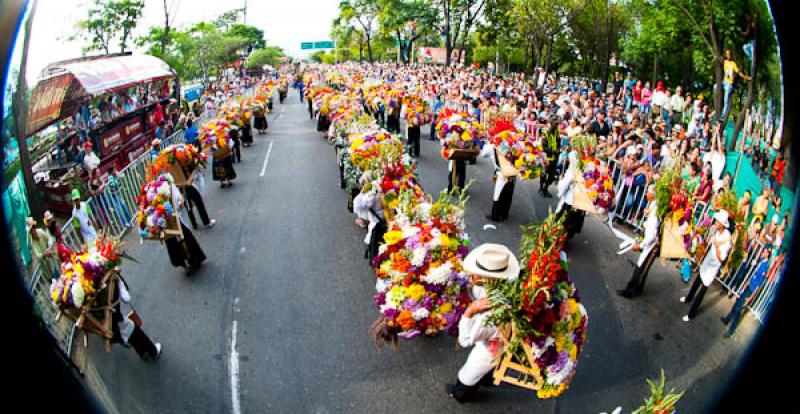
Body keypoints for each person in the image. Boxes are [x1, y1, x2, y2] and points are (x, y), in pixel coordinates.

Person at [445, 243, 520, 402]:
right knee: (487, 368)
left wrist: (469, 312)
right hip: (503, 336)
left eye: (476, 273)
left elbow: (465, 340)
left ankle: (460, 394)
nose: (472, 275)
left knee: (470, 372)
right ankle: (487, 380)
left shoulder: (490, 312)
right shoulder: (507, 284)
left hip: (493, 344)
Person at [681, 210, 732, 322]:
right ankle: (688, 298)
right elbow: (708, 241)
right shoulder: (717, 232)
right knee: (696, 283)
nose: (716, 222)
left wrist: (718, 247)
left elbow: (722, 259)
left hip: (713, 268)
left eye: (718, 221)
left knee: (701, 292)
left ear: (722, 224)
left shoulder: (727, 240)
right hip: (707, 263)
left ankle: (691, 314)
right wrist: (710, 233)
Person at [617, 185, 659, 298]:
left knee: (641, 266)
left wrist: (640, 245)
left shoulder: (655, 210)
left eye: (647, 192)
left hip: (651, 244)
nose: (646, 194)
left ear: (652, 195)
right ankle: (637, 288)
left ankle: (630, 290)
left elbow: (652, 234)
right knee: (642, 266)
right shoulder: (654, 206)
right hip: (650, 242)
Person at [721, 246, 770, 338]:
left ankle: (730, 331)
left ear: (768, 254)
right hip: (748, 287)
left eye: (765, 251)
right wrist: (745, 285)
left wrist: (750, 298)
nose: (763, 252)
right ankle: (727, 319)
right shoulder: (761, 262)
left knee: (738, 310)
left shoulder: (765, 266)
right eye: (763, 251)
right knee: (736, 304)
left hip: (751, 290)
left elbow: (758, 285)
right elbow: (753, 275)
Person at [110, 275, 162, 360]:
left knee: (126, 330)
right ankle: (153, 351)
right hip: (113, 315)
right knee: (131, 328)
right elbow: (126, 298)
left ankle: (142, 352)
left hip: (107, 321)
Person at [163, 178, 207, 275]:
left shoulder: (166, 179)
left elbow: (177, 196)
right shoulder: (152, 187)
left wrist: (178, 202)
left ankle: (193, 260)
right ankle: (185, 264)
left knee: (183, 236)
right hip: (164, 218)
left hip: (172, 216)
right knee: (172, 241)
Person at [556, 150, 585, 239]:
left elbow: (563, 186)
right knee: (570, 226)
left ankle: (558, 244)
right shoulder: (584, 171)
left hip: (569, 202)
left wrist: (560, 180)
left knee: (562, 226)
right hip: (579, 204)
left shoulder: (572, 171)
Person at [721, 49, 752, 122]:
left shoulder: (733, 64)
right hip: (724, 82)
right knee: (715, 87)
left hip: (729, 84)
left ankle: (722, 116)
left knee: (726, 100)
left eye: (729, 54)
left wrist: (746, 77)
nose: (728, 56)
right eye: (727, 54)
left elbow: (739, 73)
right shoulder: (724, 62)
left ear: (731, 55)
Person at [487, 147, 516, 222]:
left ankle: (495, 216)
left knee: (498, 195)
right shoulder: (513, 146)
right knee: (508, 194)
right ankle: (504, 214)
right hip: (512, 174)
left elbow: (483, 153)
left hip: (502, 174)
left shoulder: (494, 148)